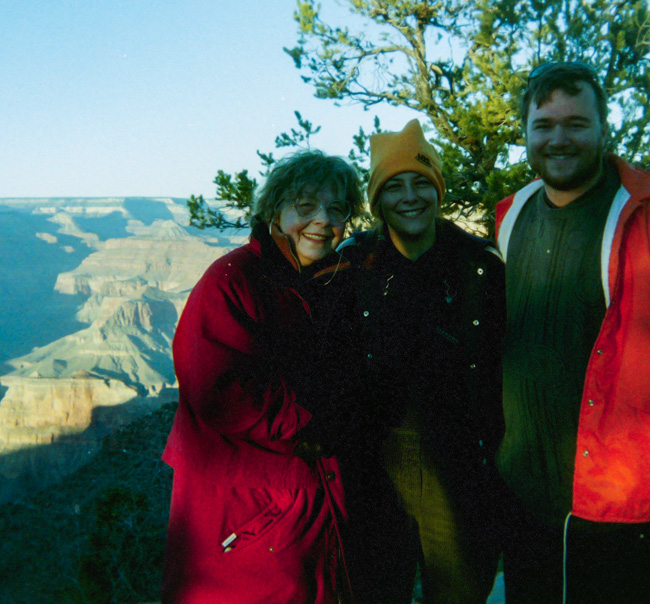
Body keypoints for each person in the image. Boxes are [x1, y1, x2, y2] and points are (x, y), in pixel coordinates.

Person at [494, 61, 650, 603]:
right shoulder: (512, 215)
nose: (558, 139)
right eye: (544, 125)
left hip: (627, 497)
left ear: (604, 127)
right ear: (526, 132)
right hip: (528, 494)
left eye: (576, 124)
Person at [160, 149, 363, 603]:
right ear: (275, 210)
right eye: (305, 206)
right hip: (247, 511)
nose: (321, 220)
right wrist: (312, 421)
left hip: (297, 506)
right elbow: (217, 389)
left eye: (336, 208)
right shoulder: (233, 280)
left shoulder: (324, 282)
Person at [337, 119, 506, 604]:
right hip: (375, 472)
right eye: (394, 187)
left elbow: (503, 368)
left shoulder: (478, 267)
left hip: (461, 470)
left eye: (421, 183)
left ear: (437, 191)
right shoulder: (354, 266)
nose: (409, 197)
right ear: (378, 201)